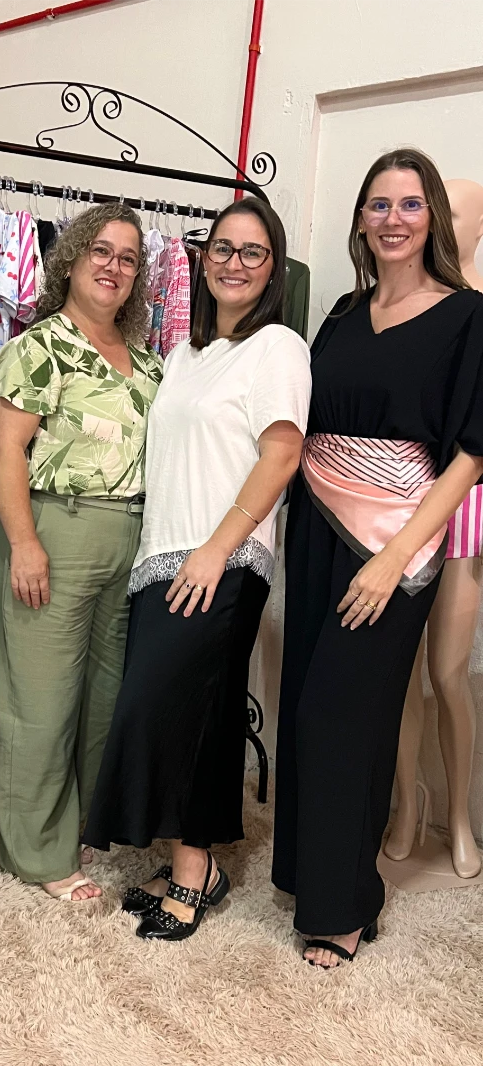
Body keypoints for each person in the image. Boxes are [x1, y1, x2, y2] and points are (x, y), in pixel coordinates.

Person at [272, 149, 483, 967]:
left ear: (432, 219)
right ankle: (308, 875)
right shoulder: (340, 313)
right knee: (304, 699)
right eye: (379, 205)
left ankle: (345, 905)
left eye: (409, 204)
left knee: (343, 714)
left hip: (397, 541)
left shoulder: (468, 317)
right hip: (317, 525)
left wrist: (395, 557)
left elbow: (470, 455)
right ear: (361, 220)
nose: (393, 219)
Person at [83, 199, 311, 940]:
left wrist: (216, 548)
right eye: (222, 249)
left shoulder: (278, 347)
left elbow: (283, 454)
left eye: (252, 252)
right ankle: (194, 864)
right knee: (179, 711)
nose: (234, 263)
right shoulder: (184, 353)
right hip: (163, 558)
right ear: (202, 259)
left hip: (225, 557)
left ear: (274, 269)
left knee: (182, 709)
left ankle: (192, 868)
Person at [0, 202, 162, 901]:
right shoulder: (40, 347)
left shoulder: (147, 361)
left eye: (128, 257)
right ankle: (35, 852)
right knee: (41, 700)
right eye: (101, 250)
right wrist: (24, 542)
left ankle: (81, 824)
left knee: (102, 701)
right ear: (72, 259)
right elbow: (5, 450)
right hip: (55, 531)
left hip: (130, 537)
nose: (114, 266)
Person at [386, 178, 483, 878]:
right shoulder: (415, 300)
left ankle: (460, 817)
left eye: (454, 210)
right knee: (397, 669)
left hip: (468, 504)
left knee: (448, 672)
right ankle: (405, 804)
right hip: (402, 497)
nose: (439, 219)